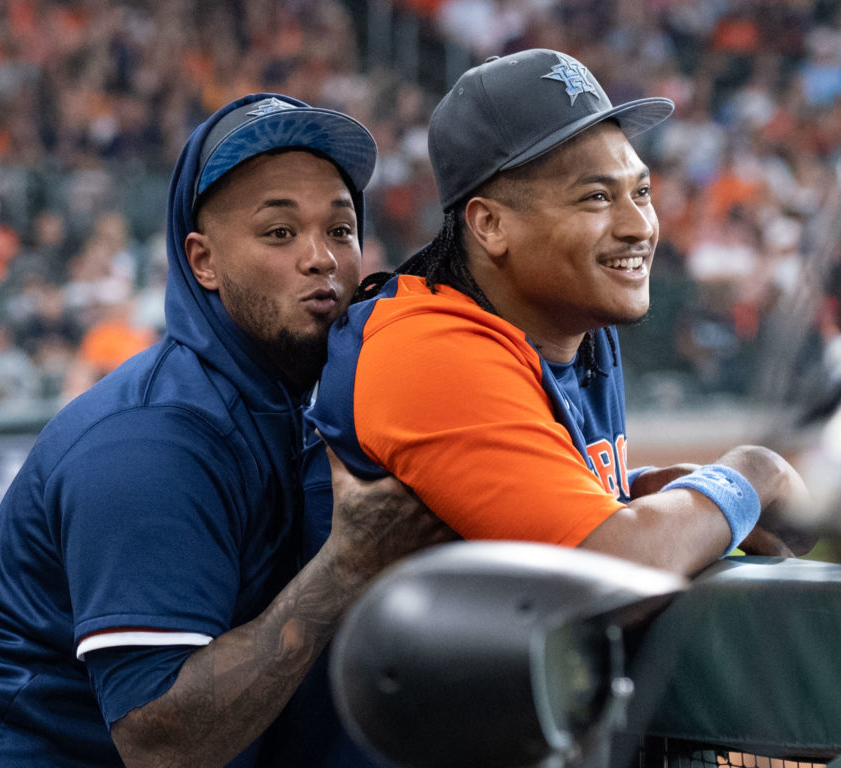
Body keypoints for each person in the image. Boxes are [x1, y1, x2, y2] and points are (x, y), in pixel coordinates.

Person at [0, 93, 452, 767]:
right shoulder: (156, 440)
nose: (320, 257)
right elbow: (164, 745)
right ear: (203, 261)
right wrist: (349, 564)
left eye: (339, 230)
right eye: (278, 233)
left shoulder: (305, 398)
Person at [308, 49, 815, 578]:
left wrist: (643, 488)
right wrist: (755, 473)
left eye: (641, 191)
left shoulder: (576, 321)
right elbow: (616, 574)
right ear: (491, 226)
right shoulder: (425, 347)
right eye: (596, 197)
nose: (639, 225)